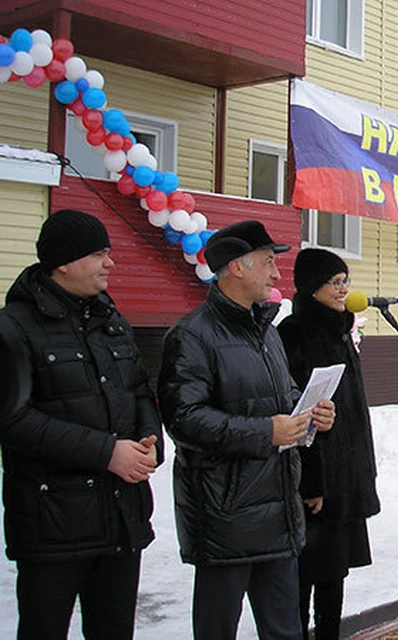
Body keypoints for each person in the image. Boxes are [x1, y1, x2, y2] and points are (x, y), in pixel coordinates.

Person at [158, 220, 335, 640]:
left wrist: (312, 414)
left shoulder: (266, 332)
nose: (277, 274)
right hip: (225, 517)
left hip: (277, 510)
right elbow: (184, 420)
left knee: (285, 629)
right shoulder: (191, 336)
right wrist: (264, 433)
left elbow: (284, 397)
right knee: (218, 628)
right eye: (269, 262)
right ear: (237, 267)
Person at [0, 209, 163, 639]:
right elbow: (12, 419)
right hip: (53, 525)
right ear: (63, 262)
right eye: (98, 254)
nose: (110, 263)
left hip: (120, 518)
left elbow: (140, 390)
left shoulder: (110, 319)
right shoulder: (14, 328)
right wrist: (107, 452)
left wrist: (149, 442)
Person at [277, 249, 381, 640]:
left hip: (344, 472)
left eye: (345, 282)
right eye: (335, 283)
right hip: (317, 477)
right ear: (311, 287)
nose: (343, 290)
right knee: (306, 574)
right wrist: (311, 482)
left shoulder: (340, 329)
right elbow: (296, 411)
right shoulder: (293, 332)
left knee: (334, 571)